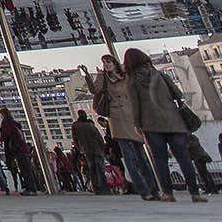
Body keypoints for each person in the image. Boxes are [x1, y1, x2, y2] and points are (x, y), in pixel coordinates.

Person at [125, 47, 204, 203]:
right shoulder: (160, 75)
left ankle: (168, 193)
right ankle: (195, 192)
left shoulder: (133, 80)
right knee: (184, 158)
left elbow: (135, 104)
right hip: (174, 122)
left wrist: (137, 124)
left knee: (160, 160)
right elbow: (178, 94)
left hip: (151, 124)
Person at [84, 55, 158, 200]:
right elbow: (95, 90)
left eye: (108, 61)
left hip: (132, 117)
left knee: (141, 156)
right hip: (117, 118)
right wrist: (88, 75)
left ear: (114, 62)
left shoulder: (126, 76)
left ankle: (153, 188)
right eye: (104, 62)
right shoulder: (103, 78)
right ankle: (143, 190)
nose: (106, 64)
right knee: (128, 157)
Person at [71, 111, 108, 195]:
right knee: (100, 169)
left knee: (92, 169)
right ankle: (104, 187)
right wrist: (102, 148)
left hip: (86, 150)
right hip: (96, 149)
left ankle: (96, 188)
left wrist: (80, 149)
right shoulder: (90, 125)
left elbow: (75, 138)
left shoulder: (76, 126)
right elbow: (98, 137)